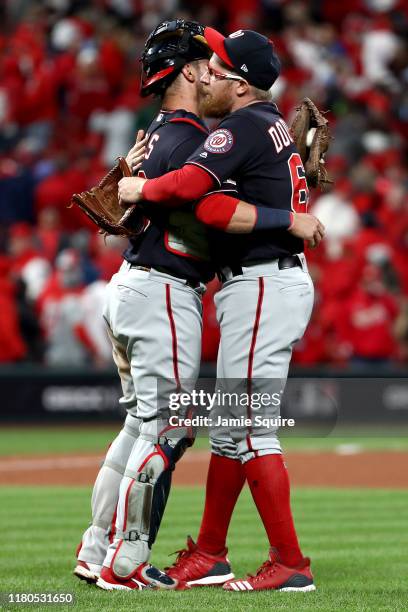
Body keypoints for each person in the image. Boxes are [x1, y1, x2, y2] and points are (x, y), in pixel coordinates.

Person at [118, 27, 321, 592]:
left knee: (251, 430)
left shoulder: (240, 129)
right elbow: (214, 204)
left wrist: (140, 189)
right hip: (262, 283)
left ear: (238, 83)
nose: (206, 71)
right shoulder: (267, 125)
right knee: (232, 433)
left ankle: (290, 564)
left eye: (217, 65)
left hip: (263, 284)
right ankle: (210, 553)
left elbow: (192, 190)